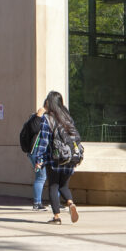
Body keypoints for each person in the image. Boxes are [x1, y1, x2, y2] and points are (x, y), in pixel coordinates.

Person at [29, 91, 81, 225]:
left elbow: (44, 142)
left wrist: (39, 159)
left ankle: (56, 217)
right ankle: (70, 203)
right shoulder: (68, 118)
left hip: (54, 159)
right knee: (64, 186)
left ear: (50, 102)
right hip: (69, 158)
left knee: (53, 186)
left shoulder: (48, 118)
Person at [26, 106, 48, 211]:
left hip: (35, 152)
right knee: (41, 177)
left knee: (41, 176)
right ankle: (37, 203)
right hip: (38, 152)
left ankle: (38, 203)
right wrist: (39, 115)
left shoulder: (34, 119)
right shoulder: (38, 120)